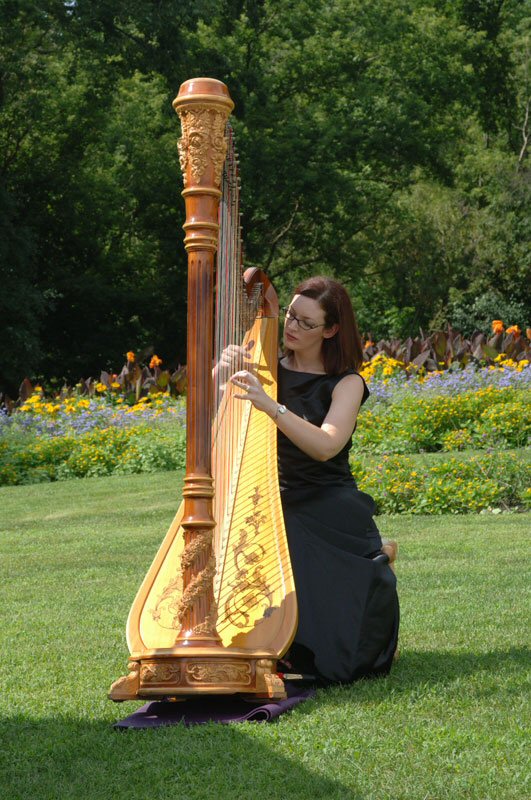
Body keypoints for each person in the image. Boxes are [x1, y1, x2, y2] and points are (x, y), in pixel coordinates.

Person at [230, 276, 399, 685]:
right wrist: (223, 371)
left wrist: (272, 407)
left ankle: (372, 557)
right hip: (271, 494)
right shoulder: (265, 369)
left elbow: (326, 446)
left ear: (330, 330)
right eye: (290, 316)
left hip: (326, 498)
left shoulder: (346, 383)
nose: (291, 327)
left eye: (306, 323)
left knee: (344, 658)